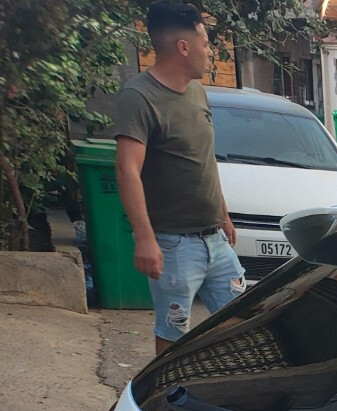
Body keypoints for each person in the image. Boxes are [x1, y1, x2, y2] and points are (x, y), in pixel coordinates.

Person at [114, 1, 243, 354]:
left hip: (215, 238)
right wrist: (144, 239)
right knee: (173, 335)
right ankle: (166, 400)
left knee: (240, 320)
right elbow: (127, 169)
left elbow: (202, 159)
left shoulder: (198, 92)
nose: (209, 52)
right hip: (173, 245)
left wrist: (224, 214)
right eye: (205, 44)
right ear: (183, 47)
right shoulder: (139, 96)